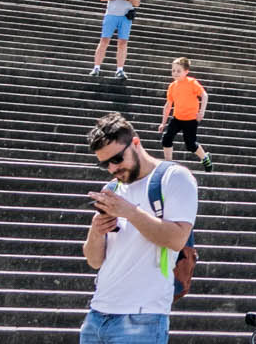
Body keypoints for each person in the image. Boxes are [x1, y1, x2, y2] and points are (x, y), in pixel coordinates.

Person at [81, 111, 197, 344]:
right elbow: (94, 261)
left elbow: (177, 239)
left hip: (143, 317)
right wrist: (96, 231)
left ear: (135, 143)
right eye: (104, 164)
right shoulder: (112, 189)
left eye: (117, 159)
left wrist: (130, 212)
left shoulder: (174, 178)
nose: (112, 168)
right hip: (97, 315)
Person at [90, 0, 143, 80]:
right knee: (104, 40)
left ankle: (120, 69)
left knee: (123, 43)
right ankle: (96, 67)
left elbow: (137, 3)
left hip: (125, 16)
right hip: (111, 14)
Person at [158, 58, 211, 172]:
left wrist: (201, 112)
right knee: (166, 138)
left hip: (191, 119)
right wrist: (163, 123)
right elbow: (168, 105)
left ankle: (205, 158)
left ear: (186, 71)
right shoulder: (172, 86)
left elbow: (204, 95)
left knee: (190, 145)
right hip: (177, 118)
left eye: (178, 71)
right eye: (173, 70)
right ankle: (168, 164)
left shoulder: (192, 82)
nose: (175, 73)